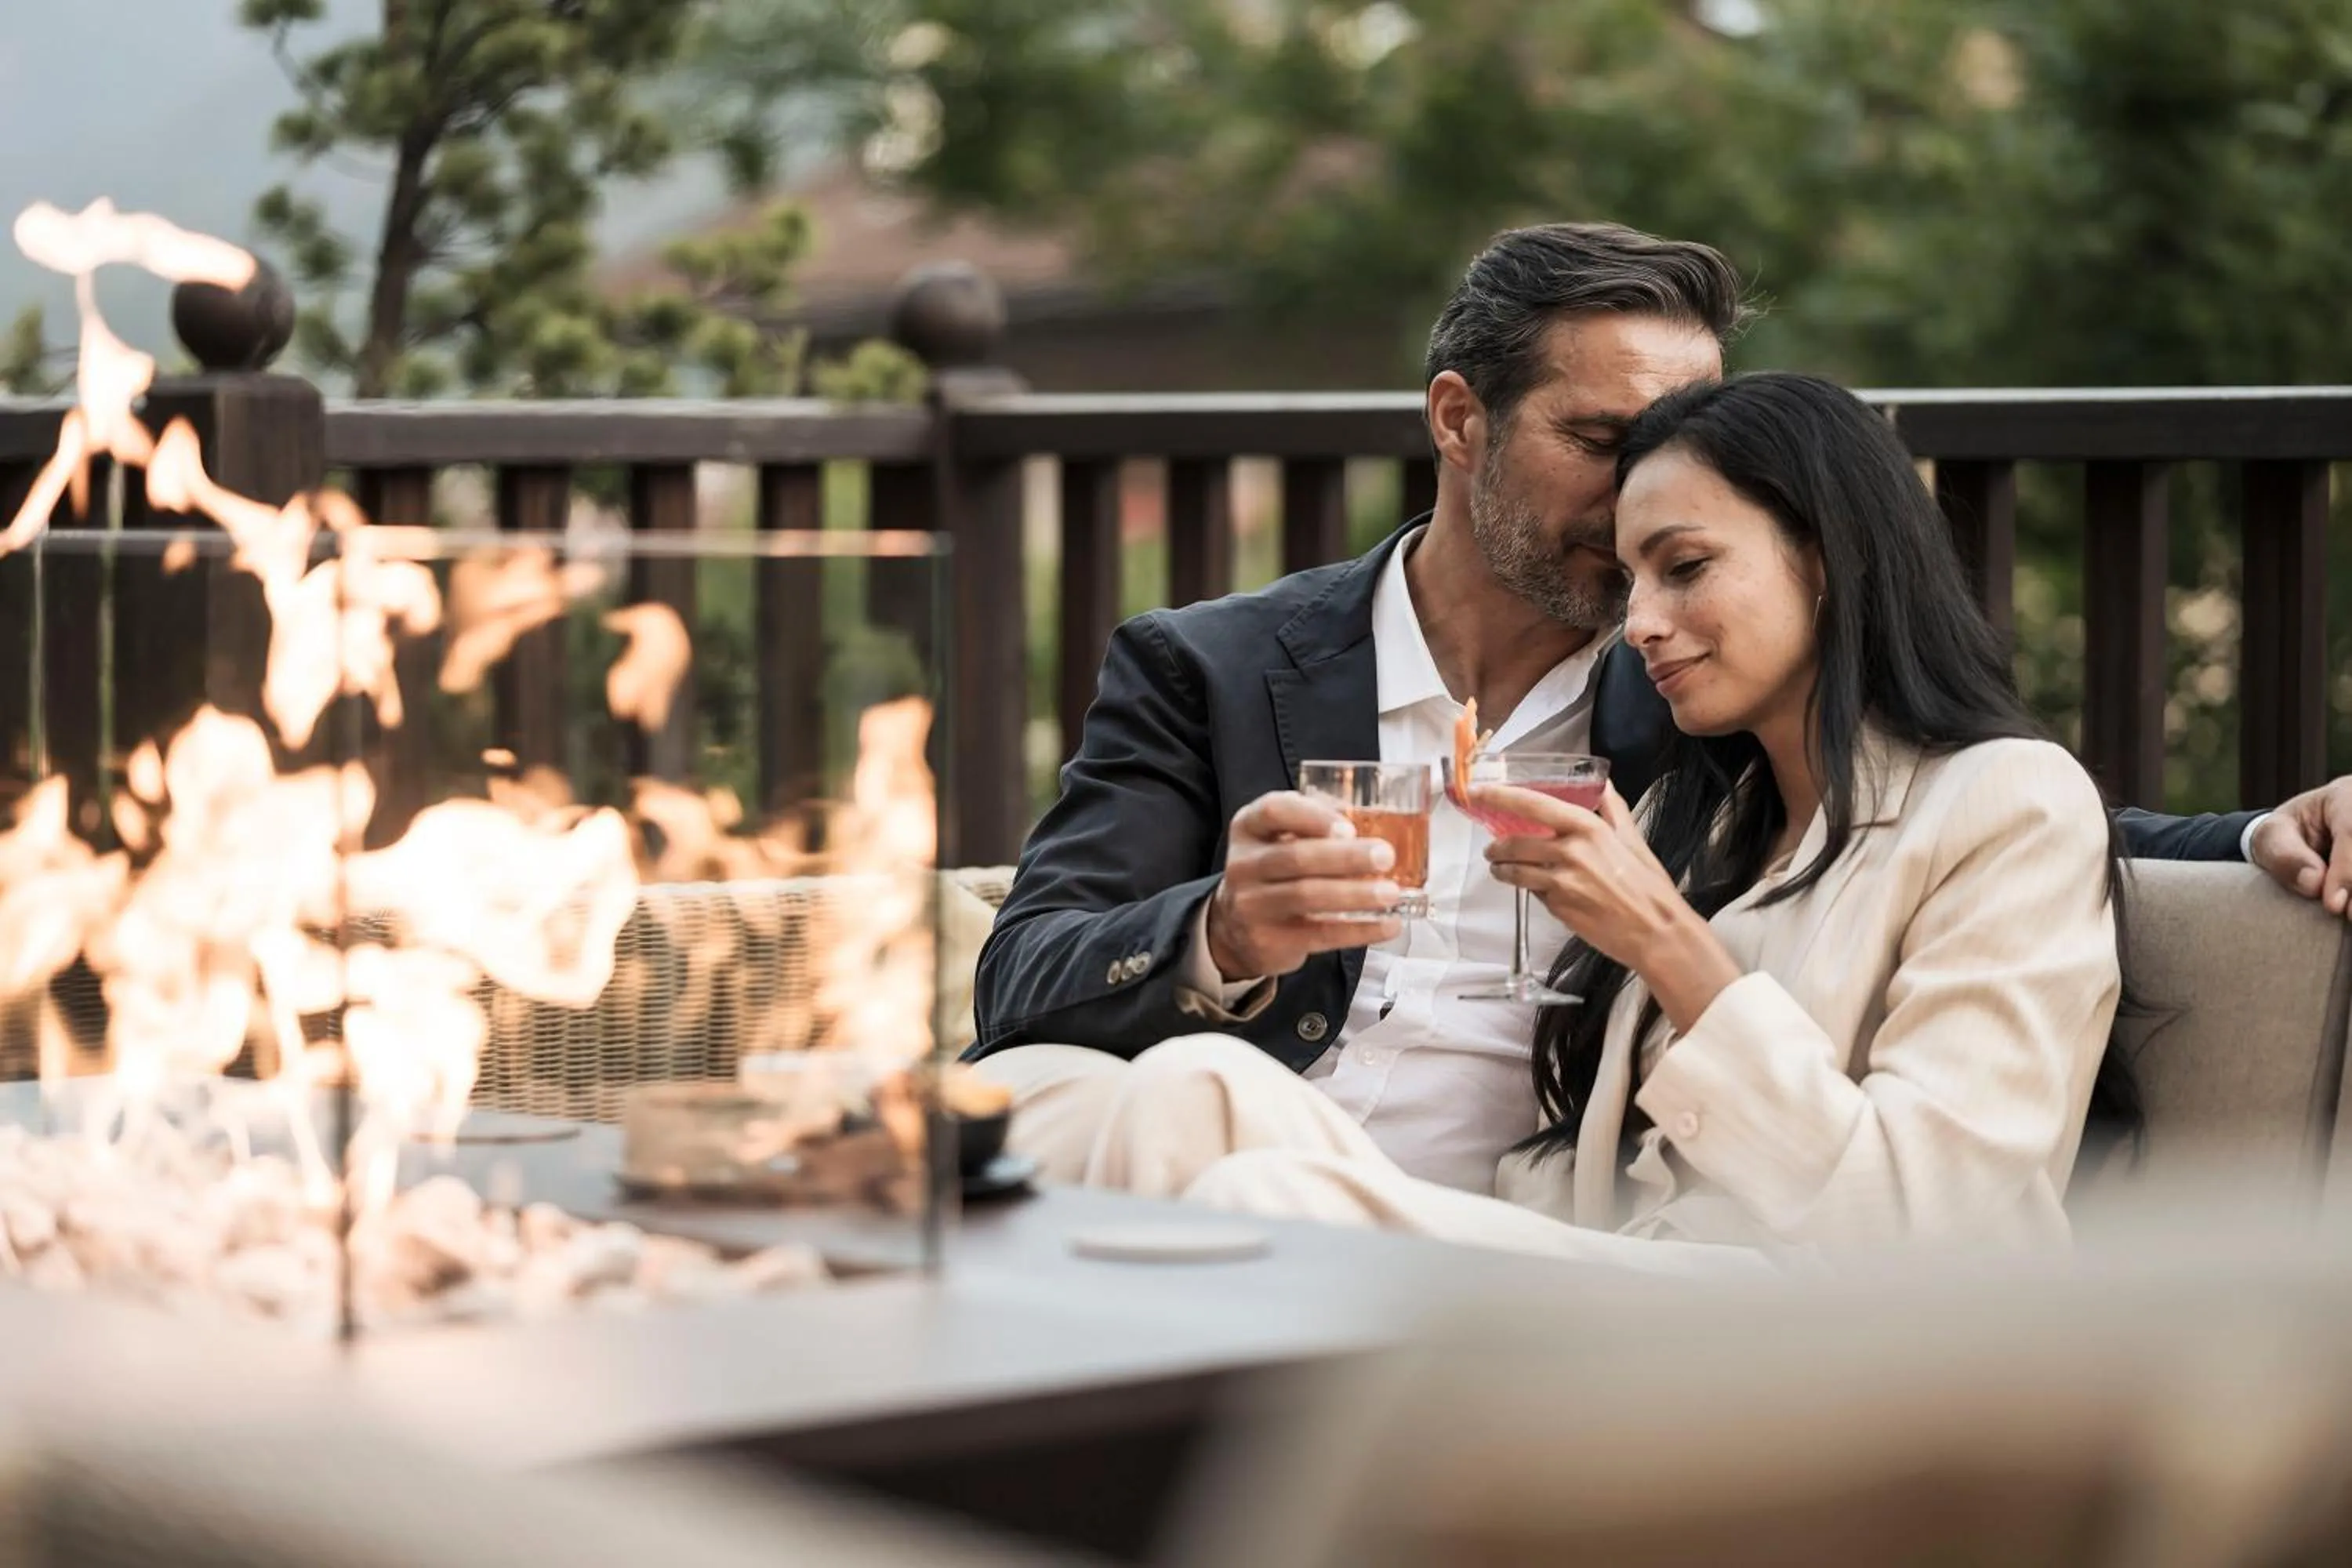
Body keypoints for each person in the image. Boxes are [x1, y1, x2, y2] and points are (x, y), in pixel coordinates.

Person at [968, 221, 2352, 1200]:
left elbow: (1937, 815)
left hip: (1476, 1212)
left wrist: (2253, 835)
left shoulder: (1698, 698)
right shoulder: (1208, 666)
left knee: (1180, 1123)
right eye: (1602, 444)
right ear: (1459, 421)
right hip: (1258, 1147)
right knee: (1031, 1102)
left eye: (1680, 467)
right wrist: (1220, 929)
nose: (1648, 497)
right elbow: (1021, 980)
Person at [1004, 371, 2130, 1265]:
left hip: (1805, 1334)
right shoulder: (1722, 812)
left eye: (1685, 568)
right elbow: (1596, 1170)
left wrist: (1669, 948)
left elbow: (1919, 1233)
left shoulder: (2004, 805)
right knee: (1196, 1087)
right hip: (1609, 1271)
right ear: (1458, 421)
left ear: (1830, 559)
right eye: (1633, 578)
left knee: (1256, 1197)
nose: (1638, 623)